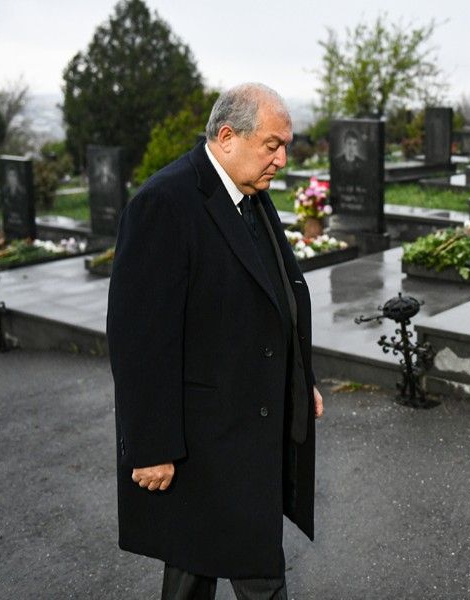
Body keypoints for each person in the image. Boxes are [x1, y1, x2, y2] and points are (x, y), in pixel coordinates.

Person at [107, 82, 323, 600]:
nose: (282, 159)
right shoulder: (164, 203)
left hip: (245, 430)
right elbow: (139, 339)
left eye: (285, 146)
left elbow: (278, 295)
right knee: (250, 569)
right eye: (272, 145)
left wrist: (300, 379)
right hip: (200, 439)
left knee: (194, 564)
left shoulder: (250, 191)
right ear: (228, 137)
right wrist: (150, 447)